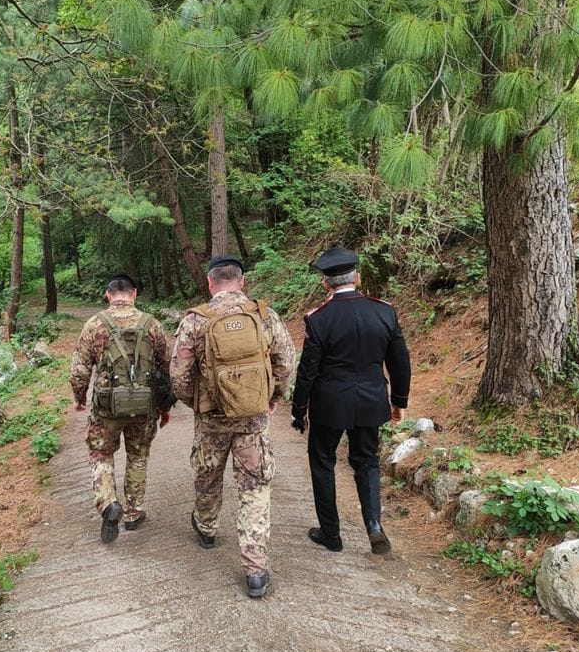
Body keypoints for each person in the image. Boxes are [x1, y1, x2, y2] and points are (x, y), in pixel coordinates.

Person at [170, 255, 295, 598]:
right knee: (254, 487)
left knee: (207, 476)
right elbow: (286, 361)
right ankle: (255, 569)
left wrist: (195, 403)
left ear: (210, 283)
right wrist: (274, 397)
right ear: (242, 282)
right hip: (253, 419)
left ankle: (207, 529)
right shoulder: (264, 315)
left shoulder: (196, 320)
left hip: (211, 420)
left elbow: (178, 376)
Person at [291, 247, 411, 555]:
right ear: (357, 277)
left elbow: (308, 371)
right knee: (367, 461)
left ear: (326, 284)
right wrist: (399, 400)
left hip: (329, 404)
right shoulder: (384, 311)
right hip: (371, 400)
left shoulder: (319, 318)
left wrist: (299, 410)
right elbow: (400, 361)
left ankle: (331, 534)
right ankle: (373, 525)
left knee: (323, 462)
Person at [70, 274, 176, 543]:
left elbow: (79, 370)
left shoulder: (94, 325)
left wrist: (80, 397)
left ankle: (107, 503)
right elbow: (167, 369)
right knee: (138, 455)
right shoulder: (152, 324)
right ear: (135, 293)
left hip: (106, 407)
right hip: (144, 405)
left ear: (108, 294)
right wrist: (164, 406)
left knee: (100, 454)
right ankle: (133, 512)